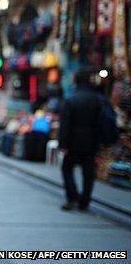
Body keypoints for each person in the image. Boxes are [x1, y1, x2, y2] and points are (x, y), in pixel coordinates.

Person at [59, 69, 103, 211]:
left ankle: (72, 198)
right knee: (88, 172)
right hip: (91, 142)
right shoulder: (97, 99)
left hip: (72, 142)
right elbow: (100, 122)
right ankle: (84, 201)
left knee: (67, 169)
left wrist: (63, 144)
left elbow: (65, 124)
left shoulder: (71, 99)